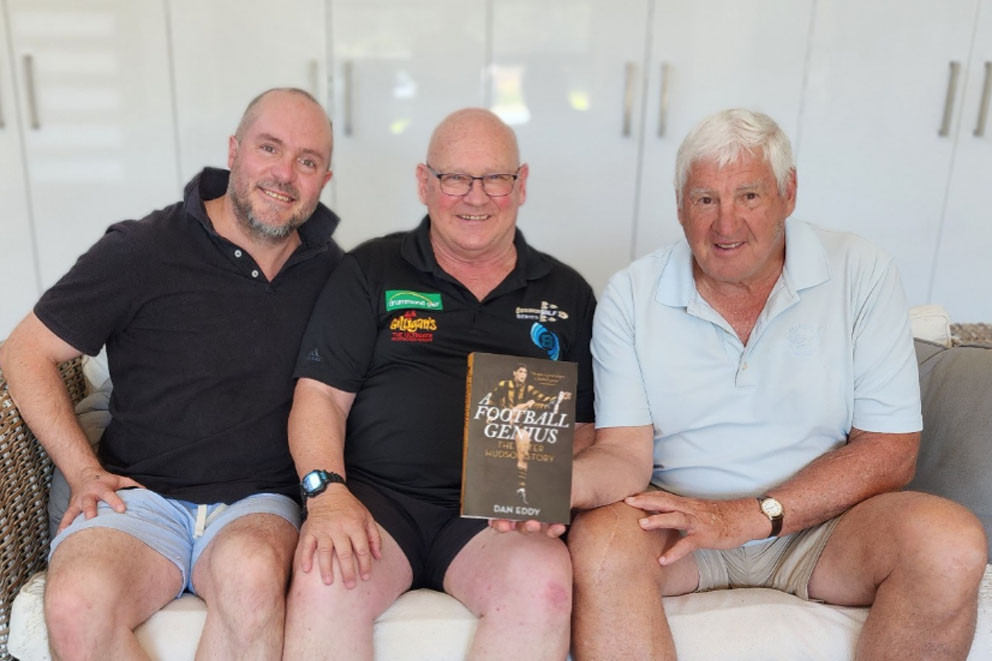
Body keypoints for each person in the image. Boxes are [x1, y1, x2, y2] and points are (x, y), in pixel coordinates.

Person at [567, 108, 988, 660]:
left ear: (788, 194)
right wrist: (541, 487)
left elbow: (890, 451)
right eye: (705, 199)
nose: (725, 224)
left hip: (827, 528)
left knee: (950, 542)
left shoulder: (861, 271)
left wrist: (747, 516)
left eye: (748, 196)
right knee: (599, 546)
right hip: (677, 523)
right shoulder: (630, 294)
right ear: (679, 207)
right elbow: (623, 453)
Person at [0, 88, 341, 661]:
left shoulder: (333, 273)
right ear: (234, 152)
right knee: (74, 605)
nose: (285, 174)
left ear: (323, 181)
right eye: (269, 148)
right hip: (139, 496)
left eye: (307, 162)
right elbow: (23, 352)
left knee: (254, 580)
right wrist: (83, 472)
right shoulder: (143, 249)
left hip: (258, 503)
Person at [284, 108, 596, 661]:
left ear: (521, 185)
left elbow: (585, 431)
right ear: (425, 184)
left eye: (495, 178)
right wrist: (326, 493)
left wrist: (550, 495)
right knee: (323, 575)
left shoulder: (567, 293)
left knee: (544, 581)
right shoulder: (370, 270)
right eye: (455, 178)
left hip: (496, 517)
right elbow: (320, 397)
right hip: (376, 501)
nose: (475, 197)